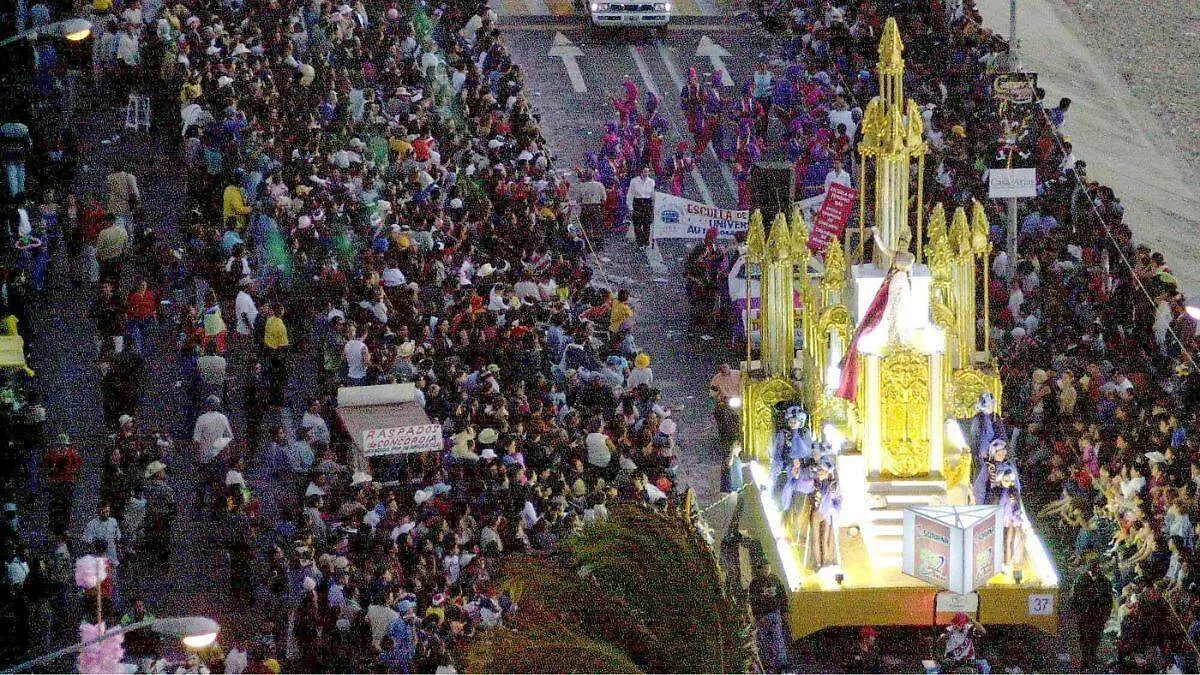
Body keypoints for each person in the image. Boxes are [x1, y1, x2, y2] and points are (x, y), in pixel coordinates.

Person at [748, 561, 790, 672]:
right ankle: (768, 664)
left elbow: (782, 595)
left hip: (774, 614)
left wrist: (784, 610)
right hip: (762, 616)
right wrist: (757, 615)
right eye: (765, 568)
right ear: (760, 569)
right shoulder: (755, 583)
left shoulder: (775, 580)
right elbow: (753, 601)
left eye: (768, 568)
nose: (767, 570)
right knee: (764, 641)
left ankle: (781, 662)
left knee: (777, 638)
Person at [42, 433, 82, 529]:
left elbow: (78, 466)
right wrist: (52, 470)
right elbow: (46, 466)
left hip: (68, 481)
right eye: (60, 445)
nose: (62, 447)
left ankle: (66, 523)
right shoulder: (52, 454)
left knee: (67, 502)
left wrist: (72, 472)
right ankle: (53, 523)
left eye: (64, 445)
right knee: (54, 503)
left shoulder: (72, 453)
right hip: (55, 481)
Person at [626, 166, 656, 249]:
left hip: (647, 203)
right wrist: (630, 208)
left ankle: (646, 241)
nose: (646, 174)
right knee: (637, 225)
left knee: (647, 224)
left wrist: (654, 205)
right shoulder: (634, 181)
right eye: (645, 172)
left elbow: (653, 194)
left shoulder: (651, 182)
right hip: (638, 203)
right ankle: (639, 242)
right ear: (641, 172)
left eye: (648, 172)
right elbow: (630, 195)